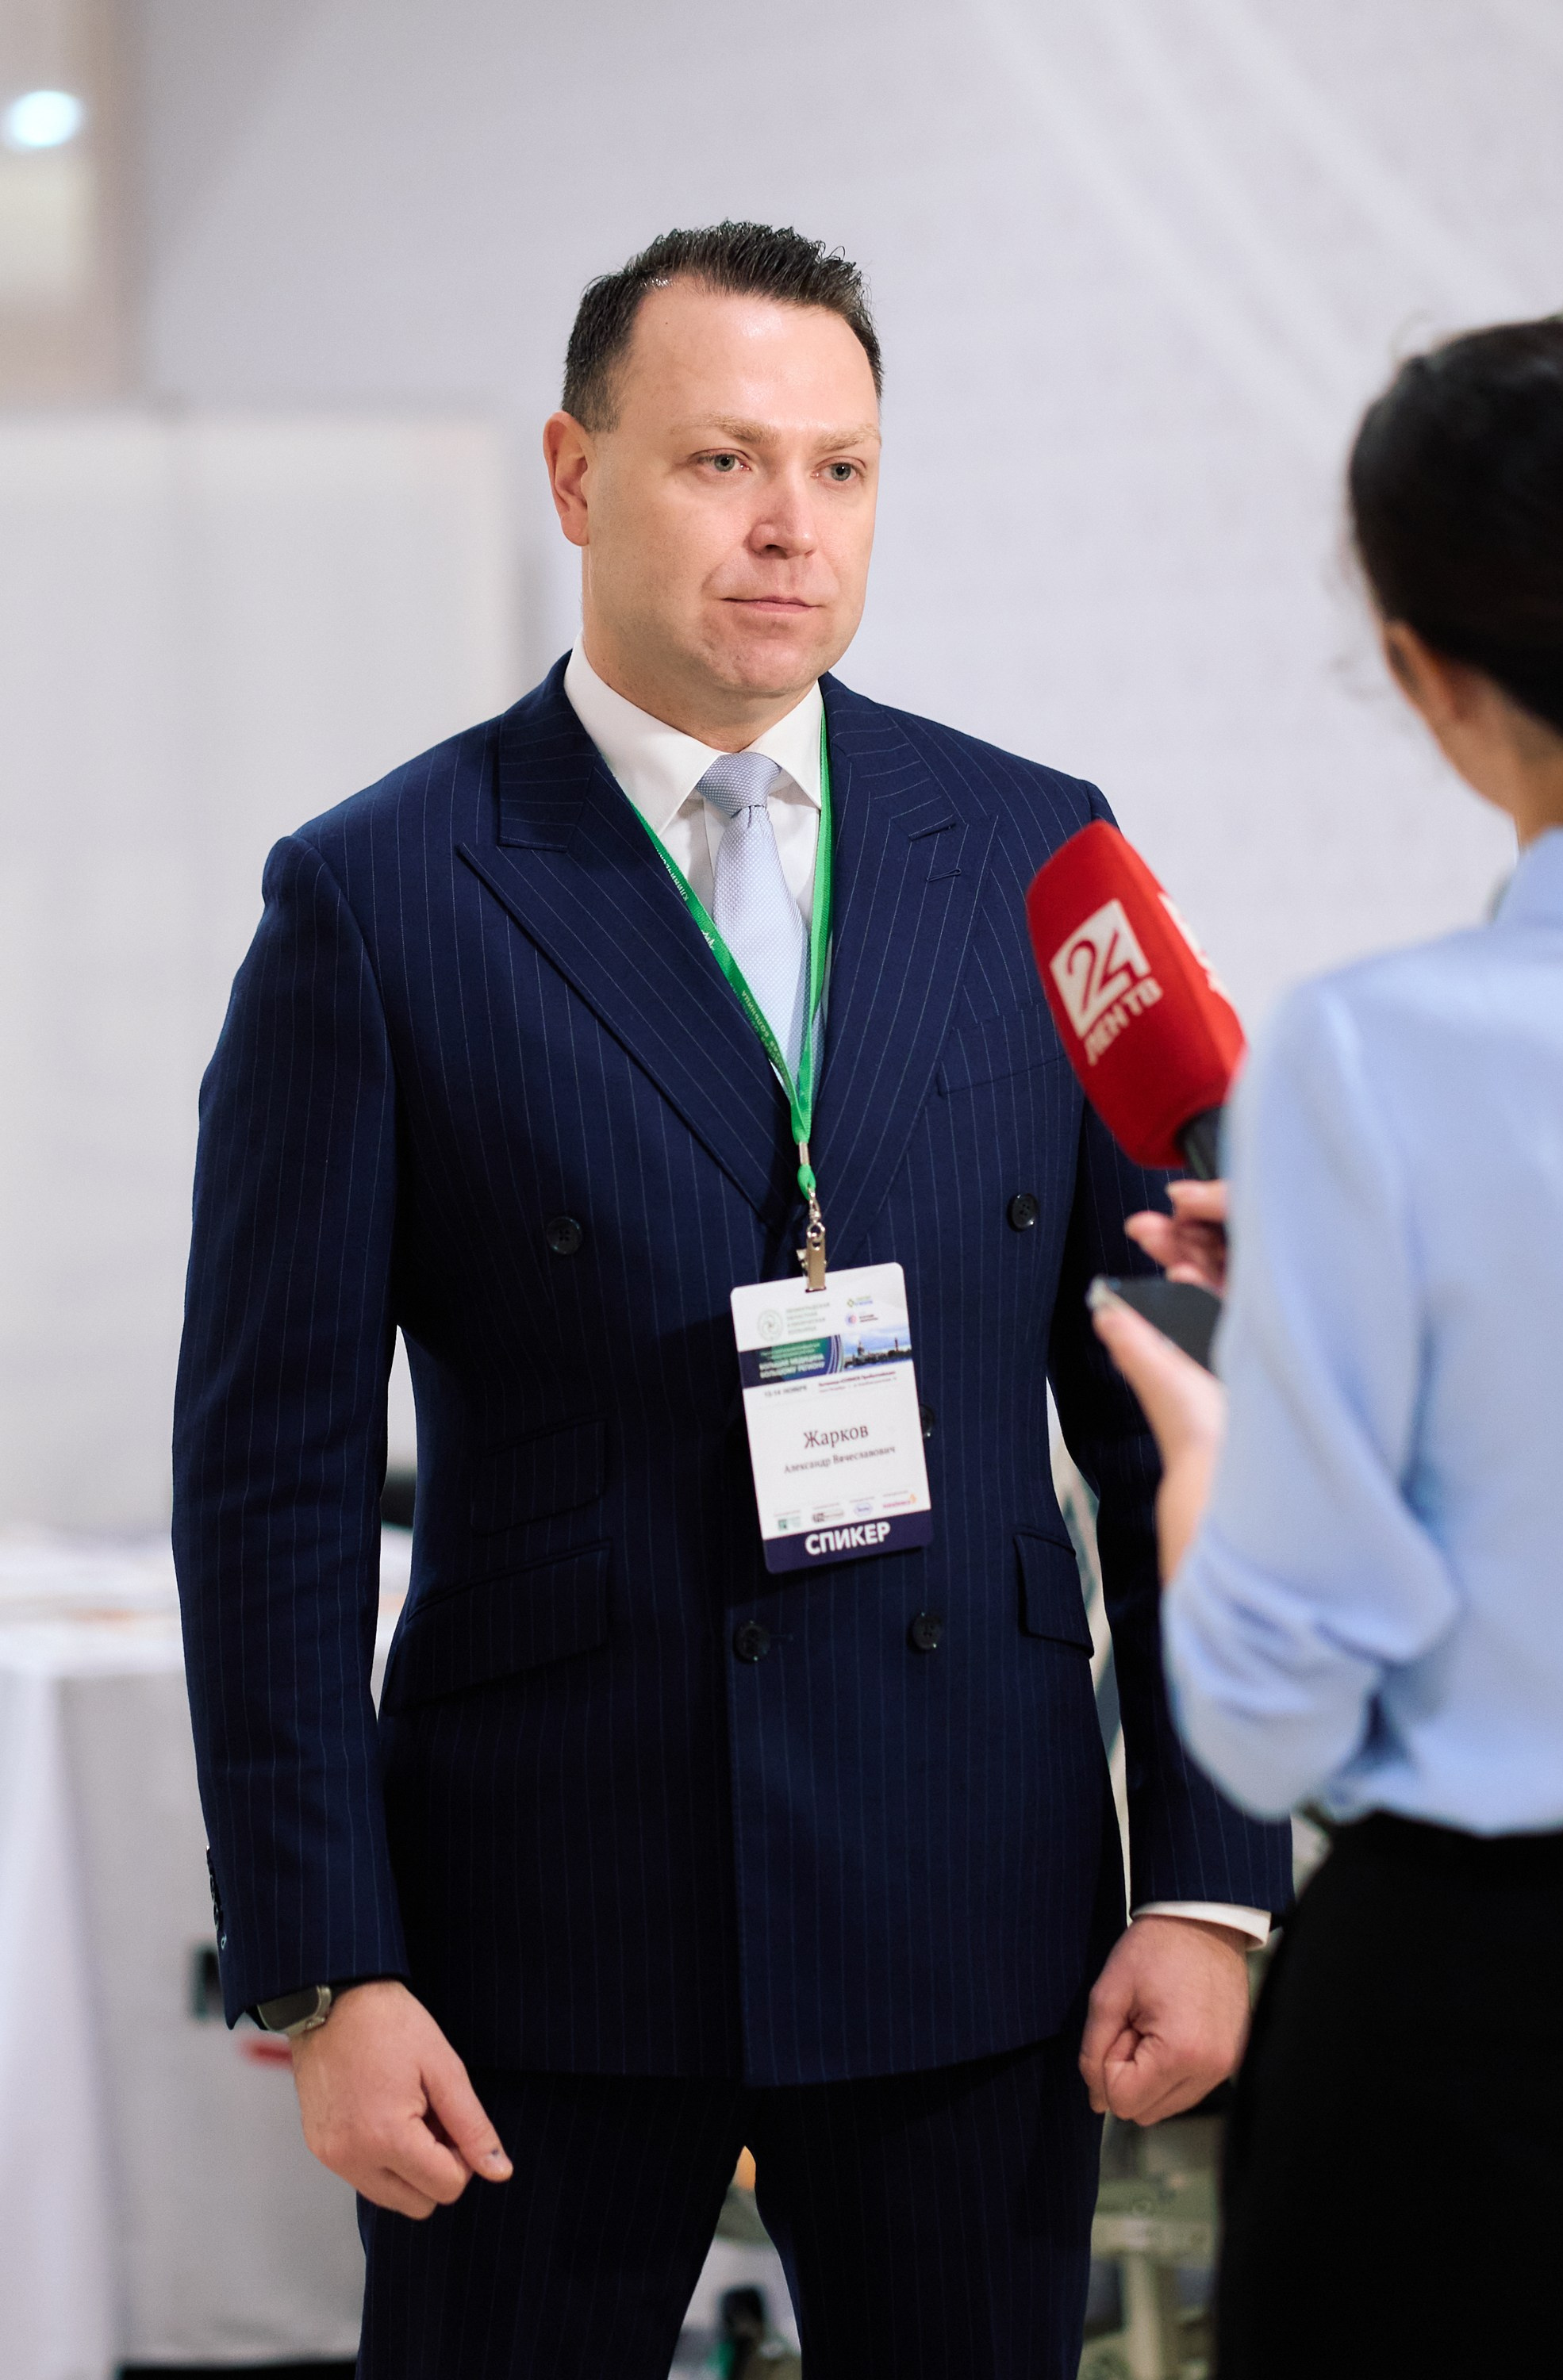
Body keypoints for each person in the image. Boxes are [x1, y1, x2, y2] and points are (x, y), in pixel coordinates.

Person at [174, 221, 1290, 2379]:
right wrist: (321, 1968)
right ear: (577, 476)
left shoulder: (1043, 857)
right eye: (722, 463)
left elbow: (1184, 1412)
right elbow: (275, 1484)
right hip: (540, 1932)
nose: (795, 529)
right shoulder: (381, 896)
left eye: (845, 470)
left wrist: (1212, 1877)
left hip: (972, 1900)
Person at [1090, 316, 1563, 2377]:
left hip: (1494, 2038)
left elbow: (1281, 1703)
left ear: (1422, 669)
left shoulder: (1378, 1056)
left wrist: (1216, 1460)